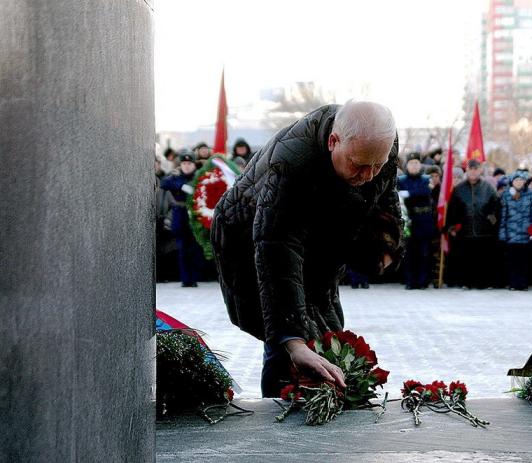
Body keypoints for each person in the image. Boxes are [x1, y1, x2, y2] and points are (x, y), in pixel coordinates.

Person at [211, 101, 403, 397]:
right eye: (359, 164)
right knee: (287, 339)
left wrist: (385, 247)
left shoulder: (376, 146)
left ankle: (322, 389)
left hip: (318, 238)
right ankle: (281, 406)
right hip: (249, 241)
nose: (368, 175)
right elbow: (276, 249)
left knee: (326, 332)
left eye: (377, 164)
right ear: (332, 142)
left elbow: (384, 196)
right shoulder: (292, 162)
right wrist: (293, 341)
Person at [444, 159, 500, 288]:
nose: (473, 172)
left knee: (483, 259)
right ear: (467, 170)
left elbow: (495, 206)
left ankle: (483, 283)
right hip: (465, 231)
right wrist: (452, 226)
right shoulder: (459, 189)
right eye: (471, 169)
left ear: (480, 170)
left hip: (484, 231)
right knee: (467, 258)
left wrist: (491, 221)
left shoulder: (488, 188)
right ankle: (467, 283)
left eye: (476, 169)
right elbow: (453, 209)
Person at [159, 150, 204, 287]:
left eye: (189, 163)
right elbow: (164, 183)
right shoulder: (176, 176)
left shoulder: (198, 176)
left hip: (195, 214)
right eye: (184, 163)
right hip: (180, 213)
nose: (186, 166)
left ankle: (195, 277)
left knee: (195, 247)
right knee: (183, 247)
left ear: (194, 164)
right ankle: (186, 279)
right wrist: (181, 186)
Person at [398, 153, 435, 289]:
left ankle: (422, 281)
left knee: (424, 253)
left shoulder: (426, 179)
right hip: (409, 219)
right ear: (407, 165)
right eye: (411, 163)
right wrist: (412, 194)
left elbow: (425, 192)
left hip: (424, 219)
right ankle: (410, 281)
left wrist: (409, 194)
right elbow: (399, 194)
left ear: (421, 165)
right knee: (409, 253)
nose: (414, 165)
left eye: (416, 163)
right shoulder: (401, 180)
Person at [499, 170, 532, 290]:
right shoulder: (506, 195)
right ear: (512, 182)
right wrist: (503, 233)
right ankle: (513, 283)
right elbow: (503, 216)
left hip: (525, 234)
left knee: (524, 261)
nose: (519, 182)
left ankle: (523, 283)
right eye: (516, 180)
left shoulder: (530, 194)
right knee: (512, 260)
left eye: (521, 180)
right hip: (512, 233)